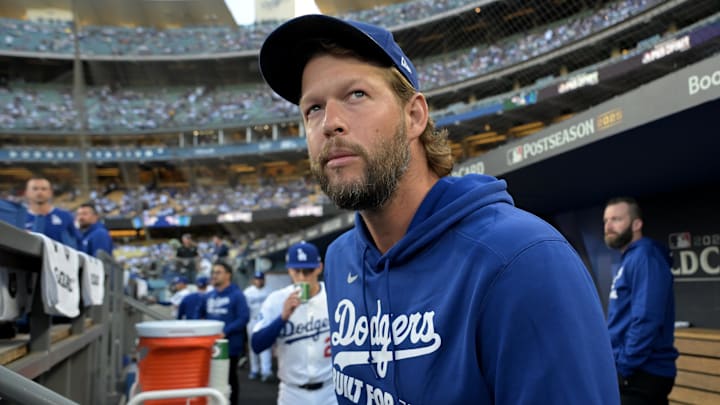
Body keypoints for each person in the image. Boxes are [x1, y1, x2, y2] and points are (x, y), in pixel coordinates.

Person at [259, 14, 619, 404]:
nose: (330, 123)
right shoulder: (342, 258)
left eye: (356, 95)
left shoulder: (523, 261)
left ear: (414, 115)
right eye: (312, 108)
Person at [604, 197, 678, 404]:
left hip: (642, 373)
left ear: (636, 224)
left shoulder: (645, 257)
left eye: (616, 219)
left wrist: (623, 367)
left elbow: (646, 319)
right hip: (634, 372)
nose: (608, 226)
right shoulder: (630, 258)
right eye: (606, 221)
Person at [251, 241, 334, 405]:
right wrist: (282, 317)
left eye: (308, 270)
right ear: (289, 270)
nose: (302, 277)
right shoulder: (276, 300)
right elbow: (257, 344)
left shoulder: (334, 294)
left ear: (319, 267)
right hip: (292, 392)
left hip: (331, 389)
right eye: (297, 271)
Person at [200, 261, 249, 405]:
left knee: (229, 379)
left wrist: (224, 332)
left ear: (228, 275)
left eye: (218, 272)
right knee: (210, 378)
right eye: (213, 272)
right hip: (209, 345)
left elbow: (243, 318)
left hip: (229, 346)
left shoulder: (237, 295)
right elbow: (200, 315)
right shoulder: (209, 295)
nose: (214, 275)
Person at [24, 176, 81, 249]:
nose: (39, 192)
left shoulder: (65, 216)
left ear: (50, 192)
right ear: (27, 192)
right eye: (35, 189)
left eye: (43, 189)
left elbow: (78, 242)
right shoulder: (20, 218)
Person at [243, 271, 273, 382]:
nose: (259, 281)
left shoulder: (270, 291)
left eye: (261, 279)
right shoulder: (247, 292)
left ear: (264, 280)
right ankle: (255, 370)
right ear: (253, 280)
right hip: (252, 321)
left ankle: (266, 370)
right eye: (257, 279)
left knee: (266, 346)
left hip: (265, 321)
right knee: (253, 347)